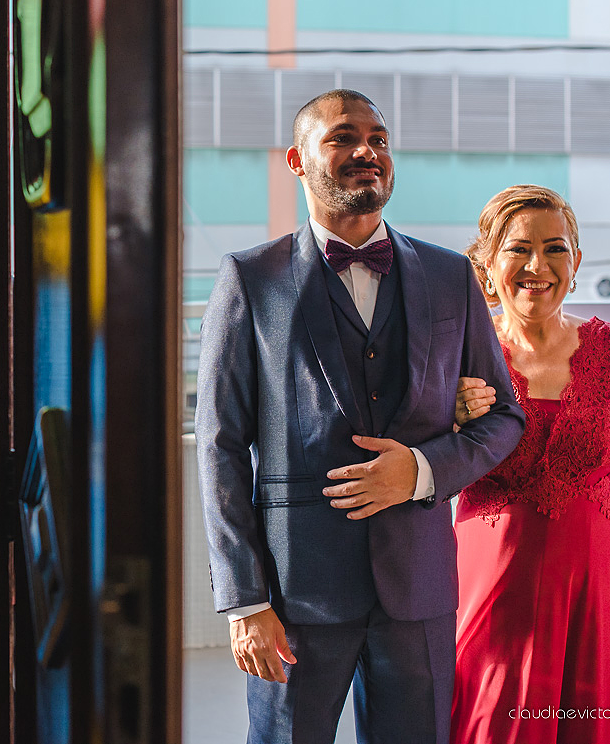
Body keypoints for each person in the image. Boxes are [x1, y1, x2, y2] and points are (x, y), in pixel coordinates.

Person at [195, 88, 526, 744]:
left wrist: (424, 470)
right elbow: (221, 445)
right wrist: (246, 600)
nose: (366, 152)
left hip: (419, 589)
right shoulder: (250, 279)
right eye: (343, 138)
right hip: (295, 596)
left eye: (378, 138)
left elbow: (504, 418)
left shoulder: (451, 276)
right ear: (297, 159)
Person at [449, 185, 610, 743]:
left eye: (555, 249)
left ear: (576, 262)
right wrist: (446, 419)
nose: (536, 266)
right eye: (518, 249)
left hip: (597, 602)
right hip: (493, 599)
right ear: (490, 262)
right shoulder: (461, 353)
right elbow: (421, 467)